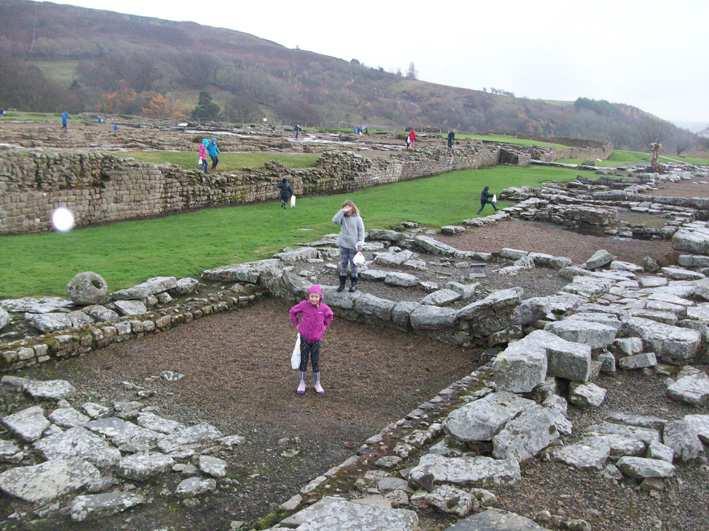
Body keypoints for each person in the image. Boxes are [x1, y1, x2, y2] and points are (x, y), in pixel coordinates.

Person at [289, 284, 334, 396]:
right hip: (304, 338)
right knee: (303, 360)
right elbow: (292, 311)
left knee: (315, 361)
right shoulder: (304, 305)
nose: (314, 299)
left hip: (316, 340)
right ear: (308, 296)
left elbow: (330, 315)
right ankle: (302, 382)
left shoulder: (324, 308)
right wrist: (297, 324)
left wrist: (323, 327)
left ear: (320, 297)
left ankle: (317, 383)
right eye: (312, 296)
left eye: (316, 296)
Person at [332, 200, 365, 292]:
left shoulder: (358, 219)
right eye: (345, 208)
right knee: (343, 264)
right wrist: (341, 211)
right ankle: (342, 284)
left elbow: (361, 232)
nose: (347, 210)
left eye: (349, 208)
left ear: (353, 208)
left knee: (354, 265)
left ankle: (353, 284)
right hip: (343, 245)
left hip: (354, 246)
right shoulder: (342, 218)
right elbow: (334, 220)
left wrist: (360, 243)